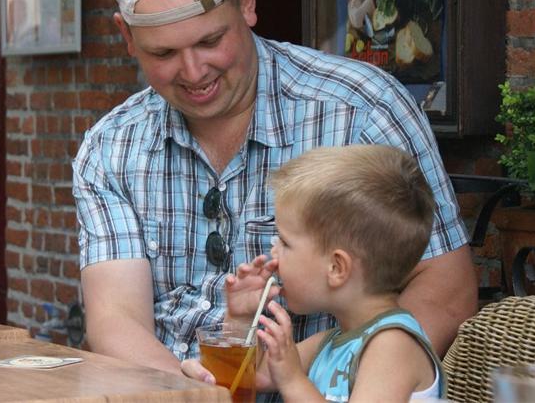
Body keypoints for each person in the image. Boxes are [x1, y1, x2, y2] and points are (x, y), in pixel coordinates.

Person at [72, 0, 476, 377]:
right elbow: (115, 318)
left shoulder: (361, 110)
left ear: (246, 2)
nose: (193, 71)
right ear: (127, 37)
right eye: (163, 54)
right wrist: (195, 394)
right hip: (164, 389)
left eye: (210, 41)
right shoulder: (111, 146)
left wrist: (351, 382)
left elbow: (446, 289)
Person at [183, 144, 447, 401]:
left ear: (336, 268)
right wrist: (241, 318)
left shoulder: (393, 346)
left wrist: (293, 381)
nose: (273, 251)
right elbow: (258, 375)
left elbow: (284, 377)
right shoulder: (332, 342)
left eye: (285, 242)